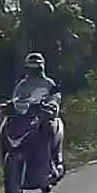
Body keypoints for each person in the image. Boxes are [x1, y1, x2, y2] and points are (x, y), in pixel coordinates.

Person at [12, 52, 64, 180]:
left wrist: (50, 105)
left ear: (41, 68)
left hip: (43, 117)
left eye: (36, 68)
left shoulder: (49, 84)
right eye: (30, 68)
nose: (33, 72)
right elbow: (15, 99)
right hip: (25, 118)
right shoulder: (21, 85)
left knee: (48, 128)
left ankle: (50, 165)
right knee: (6, 125)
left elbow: (56, 99)